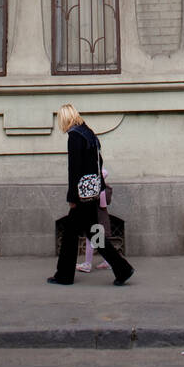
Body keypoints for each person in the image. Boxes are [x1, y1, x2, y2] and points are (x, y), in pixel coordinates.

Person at [47, 104, 134, 286]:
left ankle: (64, 275)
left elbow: (74, 169)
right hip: (92, 192)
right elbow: (98, 162)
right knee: (95, 233)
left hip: (80, 197)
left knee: (70, 235)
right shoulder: (89, 133)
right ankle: (122, 269)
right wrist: (98, 188)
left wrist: (72, 198)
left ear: (65, 118)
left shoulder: (74, 136)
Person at [77, 168, 111, 272]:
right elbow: (105, 204)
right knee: (100, 241)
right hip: (101, 217)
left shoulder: (97, 189)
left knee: (90, 239)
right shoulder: (104, 188)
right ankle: (108, 262)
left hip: (96, 217)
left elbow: (102, 205)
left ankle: (87, 264)